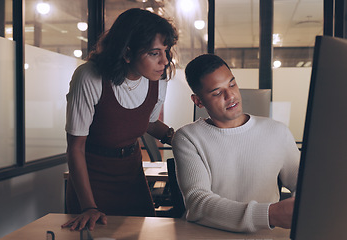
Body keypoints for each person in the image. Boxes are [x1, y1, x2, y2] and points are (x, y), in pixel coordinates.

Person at [61, 8, 178, 231]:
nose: (165, 60)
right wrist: (88, 206)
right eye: (154, 53)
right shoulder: (90, 77)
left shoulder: (157, 80)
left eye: (166, 50)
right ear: (127, 52)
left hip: (131, 175)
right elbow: (75, 148)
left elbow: (149, 122)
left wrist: (182, 138)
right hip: (91, 178)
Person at [171, 54, 300, 233]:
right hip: (208, 236)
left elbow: (304, 185)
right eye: (217, 92)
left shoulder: (277, 131)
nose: (230, 95)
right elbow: (197, 203)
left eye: (232, 84)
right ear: (198, 101)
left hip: (265, 236)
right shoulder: (187, 138)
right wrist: (269, 214)